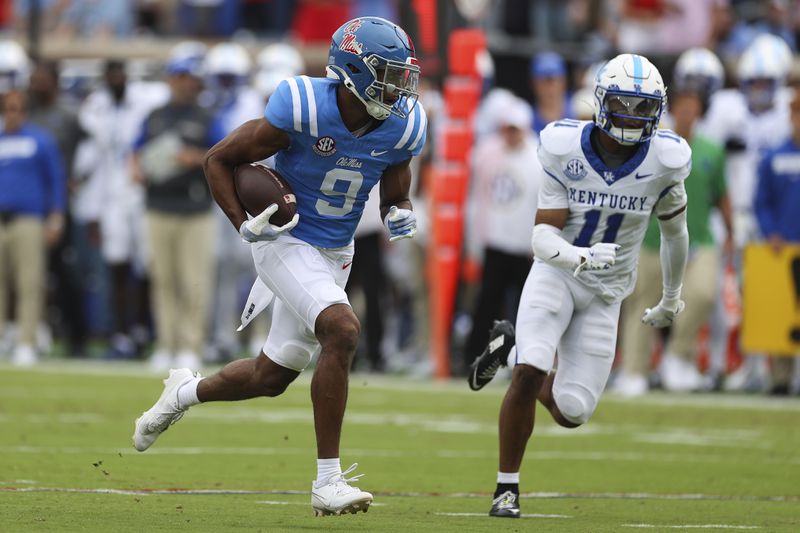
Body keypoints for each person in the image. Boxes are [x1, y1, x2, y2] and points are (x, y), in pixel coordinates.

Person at [132, 17, 426, 517]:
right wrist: (242, 223)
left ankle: (183, 392)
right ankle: (327, 482)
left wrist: (399, 213)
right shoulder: (304, 105)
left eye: (403, 75)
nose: (399, 87)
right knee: (343, 329)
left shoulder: (405, 123)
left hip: (336, 254)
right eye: (388, 74)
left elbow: (396, 190)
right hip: (284, 240)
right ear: (353, 70)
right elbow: (218, 160)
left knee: (270, 376)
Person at [467, 54, 690, 517]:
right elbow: (542, 236)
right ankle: (506, 488)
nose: (632, 116)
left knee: (572, 411)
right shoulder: (564, 147)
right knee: (531, 369)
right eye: (624, 104)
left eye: (642, 106)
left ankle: (505, 348)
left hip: (607, 294)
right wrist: (578, 256)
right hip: (559, 274)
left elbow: (675, 234)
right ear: (602, 102)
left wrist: (671, 296)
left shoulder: (667, 160)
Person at [615, 88, 733, 395]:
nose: (685, 112)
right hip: (654, 237)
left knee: (704, 294)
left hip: (699, 238)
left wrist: (731, 232)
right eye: (681, 106)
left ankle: (679, 356)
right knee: (642, 302)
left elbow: (721, 196)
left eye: (691, 105)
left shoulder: (711, 150)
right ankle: (634, 369)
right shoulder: (654, 146)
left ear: (699, 110)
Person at [133, 52, 224, 372]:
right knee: (163, 279)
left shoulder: (206, 118)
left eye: (192, 80)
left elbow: (222, 155)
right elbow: (135, 151)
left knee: (193, 280)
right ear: (172, 79)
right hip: (158, 205)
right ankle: (166, 344)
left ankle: (190, 345)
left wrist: (195, 158)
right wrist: (136, 169)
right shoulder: (155, 116)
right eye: (182, 78)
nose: (187, 85)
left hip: (194, 207)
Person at [463, 96, 540, 375]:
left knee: (525, 309)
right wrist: (475, 244)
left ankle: (521, 361)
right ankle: (475, 358)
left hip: (524, 248)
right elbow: (477, 199)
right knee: (486, 306)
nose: (511, 134)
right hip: (495, 244)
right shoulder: (487, 153)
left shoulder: (537, 157)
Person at [0, 90, 66, 365]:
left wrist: (56, 216)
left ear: (25, 111)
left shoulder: (41, 140)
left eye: (17, 108)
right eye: (8, 108)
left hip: (28, 219)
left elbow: (56, 180)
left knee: (29, 283)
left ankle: (26, 341)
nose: (12, 113)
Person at [753, 91, 800, 395]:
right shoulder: (774, 156)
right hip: (784, 250)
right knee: (783, 313)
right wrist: (771, 232)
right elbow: (762, 202)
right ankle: (781, 378)